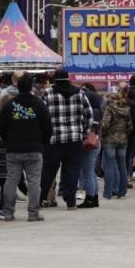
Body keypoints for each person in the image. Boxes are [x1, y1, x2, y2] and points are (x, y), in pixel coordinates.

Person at [0, 73, 52, 222]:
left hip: (14, 149)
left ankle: (8, 212)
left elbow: (0, 126)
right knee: (34, 181)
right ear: (32, 87)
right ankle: (33, 213)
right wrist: (42, 143)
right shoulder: (40, 104)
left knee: (11, 180)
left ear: (18, 87)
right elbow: (48, 127)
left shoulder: (9, 105)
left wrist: (8, 140)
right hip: (34, 148)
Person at [39, 70, 93, 210]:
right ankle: (70, 202)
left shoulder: (48, 93)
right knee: (72, 171)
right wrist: (84, 133)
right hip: (74, 139)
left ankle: (41, 198)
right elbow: (89, 114)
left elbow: (41, 116)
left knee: (48, 171)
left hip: (54, 140)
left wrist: (44, 135)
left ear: (55, 80)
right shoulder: (80, 93)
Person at [100, 92, 132, 200]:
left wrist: (104, 134)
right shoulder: (126, 109)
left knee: (109, 166)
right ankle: (122, 192)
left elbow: (105, 124)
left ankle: (108, 193)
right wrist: (123, 134)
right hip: (122, 140)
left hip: (110, 140)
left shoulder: (109, 108)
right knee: (122, 166)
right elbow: (130, 126)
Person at [78, 83, 103, 208]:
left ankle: (89, 198)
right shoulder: (99, 111)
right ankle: (95, 198)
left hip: (88, 143)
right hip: (96, 142)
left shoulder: (89, 112)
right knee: (91, 172)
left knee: (87, 172)